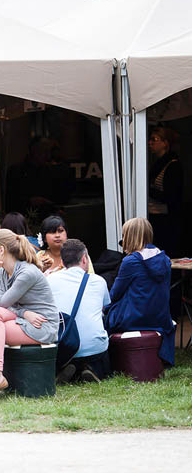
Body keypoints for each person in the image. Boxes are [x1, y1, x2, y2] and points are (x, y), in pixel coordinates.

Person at [0, 229, 59, 398]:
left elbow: (0, 304)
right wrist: (24, 313)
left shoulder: (26, 272)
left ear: (1, 250)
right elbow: (2, 305)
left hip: (42, 325)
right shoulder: (3, 271)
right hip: (25, 320)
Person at [106, 217, 175, 366]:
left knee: (104, 315)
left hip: (134, 318)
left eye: (124, 235)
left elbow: (114, 294)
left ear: (130, 237)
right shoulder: (165, 259)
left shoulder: (131, 261)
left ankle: (106, 364)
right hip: (160, 318)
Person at [47, 239, 111, 383]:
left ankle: (71, 370)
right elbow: (104, 308)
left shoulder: (50, 280)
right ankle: (87, 369)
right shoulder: (99, 281)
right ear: (84, 259)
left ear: (62, 263)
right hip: (96, 350)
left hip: (66, 348)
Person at [147, 126, 183, 257]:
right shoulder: (157, 164)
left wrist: (147, 190)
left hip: (165, 221)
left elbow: (170, 196)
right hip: (155, 217)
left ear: (165, 143)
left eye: (154, 139)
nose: (149, 143)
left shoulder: (172, 165)